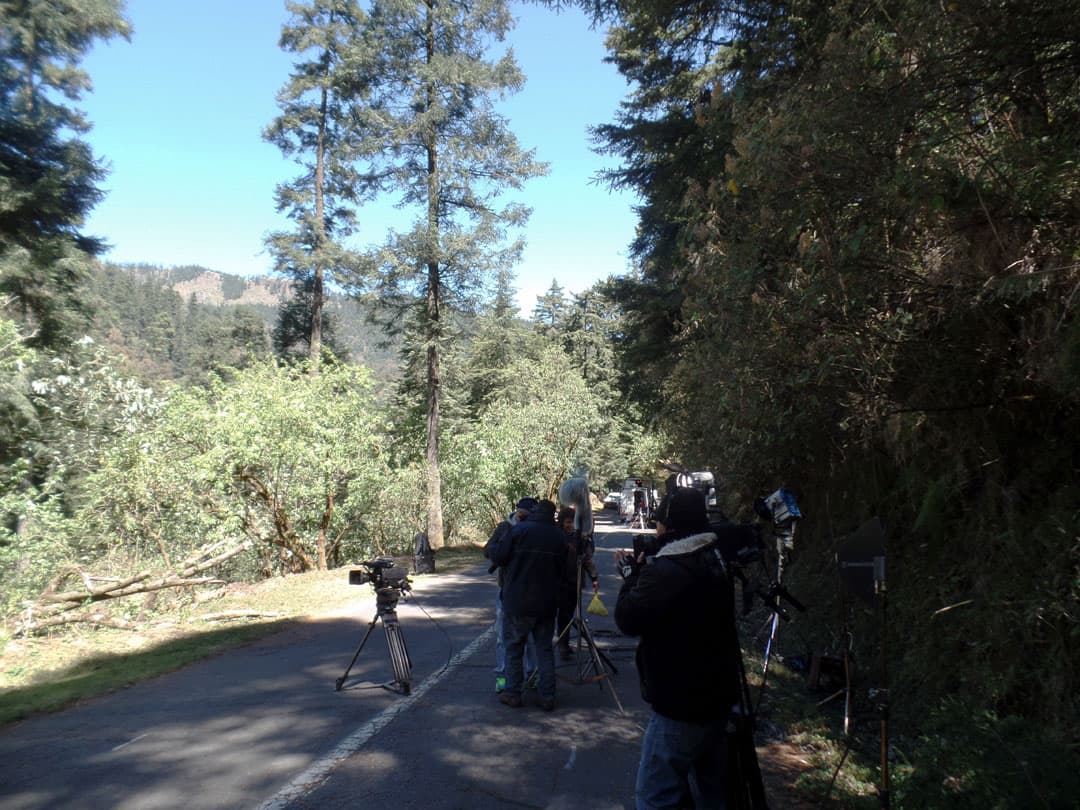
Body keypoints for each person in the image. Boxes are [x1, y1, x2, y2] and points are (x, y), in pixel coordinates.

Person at [614, 487, 743, 809]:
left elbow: (628, 619)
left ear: (670, 525)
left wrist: (631, 577)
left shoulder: (668, 570)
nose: (654, 528)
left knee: (656, 796)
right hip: (719, 696)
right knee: (713, 792)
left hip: (680, 704)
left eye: (658, 522)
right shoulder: (715, 558)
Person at [490, 498, 566, 711]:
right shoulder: (558, 537)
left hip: (517, 601)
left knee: (514, 648)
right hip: (546, 603)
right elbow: (562, 570)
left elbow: (498, 556)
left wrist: (499, 540)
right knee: (544, 650)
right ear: (553, 516)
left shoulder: (519, 531)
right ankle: (547, 696)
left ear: (533, 512)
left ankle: (513, 693)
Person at [484, 497, 538, 693]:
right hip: (506, 588)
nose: (524, 518)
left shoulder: (535, 530)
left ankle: (533, 675)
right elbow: (487, 550)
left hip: (530, 589)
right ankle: (502, 677)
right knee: (502, 636)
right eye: (522, 515)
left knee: (531, 637)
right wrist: (502, 550)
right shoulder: (504, 528)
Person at [555, 505, 599, 660]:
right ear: (561, 522)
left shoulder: (581, 538)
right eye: (567, 522)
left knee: (568, 615)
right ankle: (558, 646)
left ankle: (563, 644)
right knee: (559, 616)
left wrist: (594, 578)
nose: (570, 525)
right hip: (557, 583)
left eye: (573, 522)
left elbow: (588, 560)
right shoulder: (555, 536)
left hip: (575, 582)